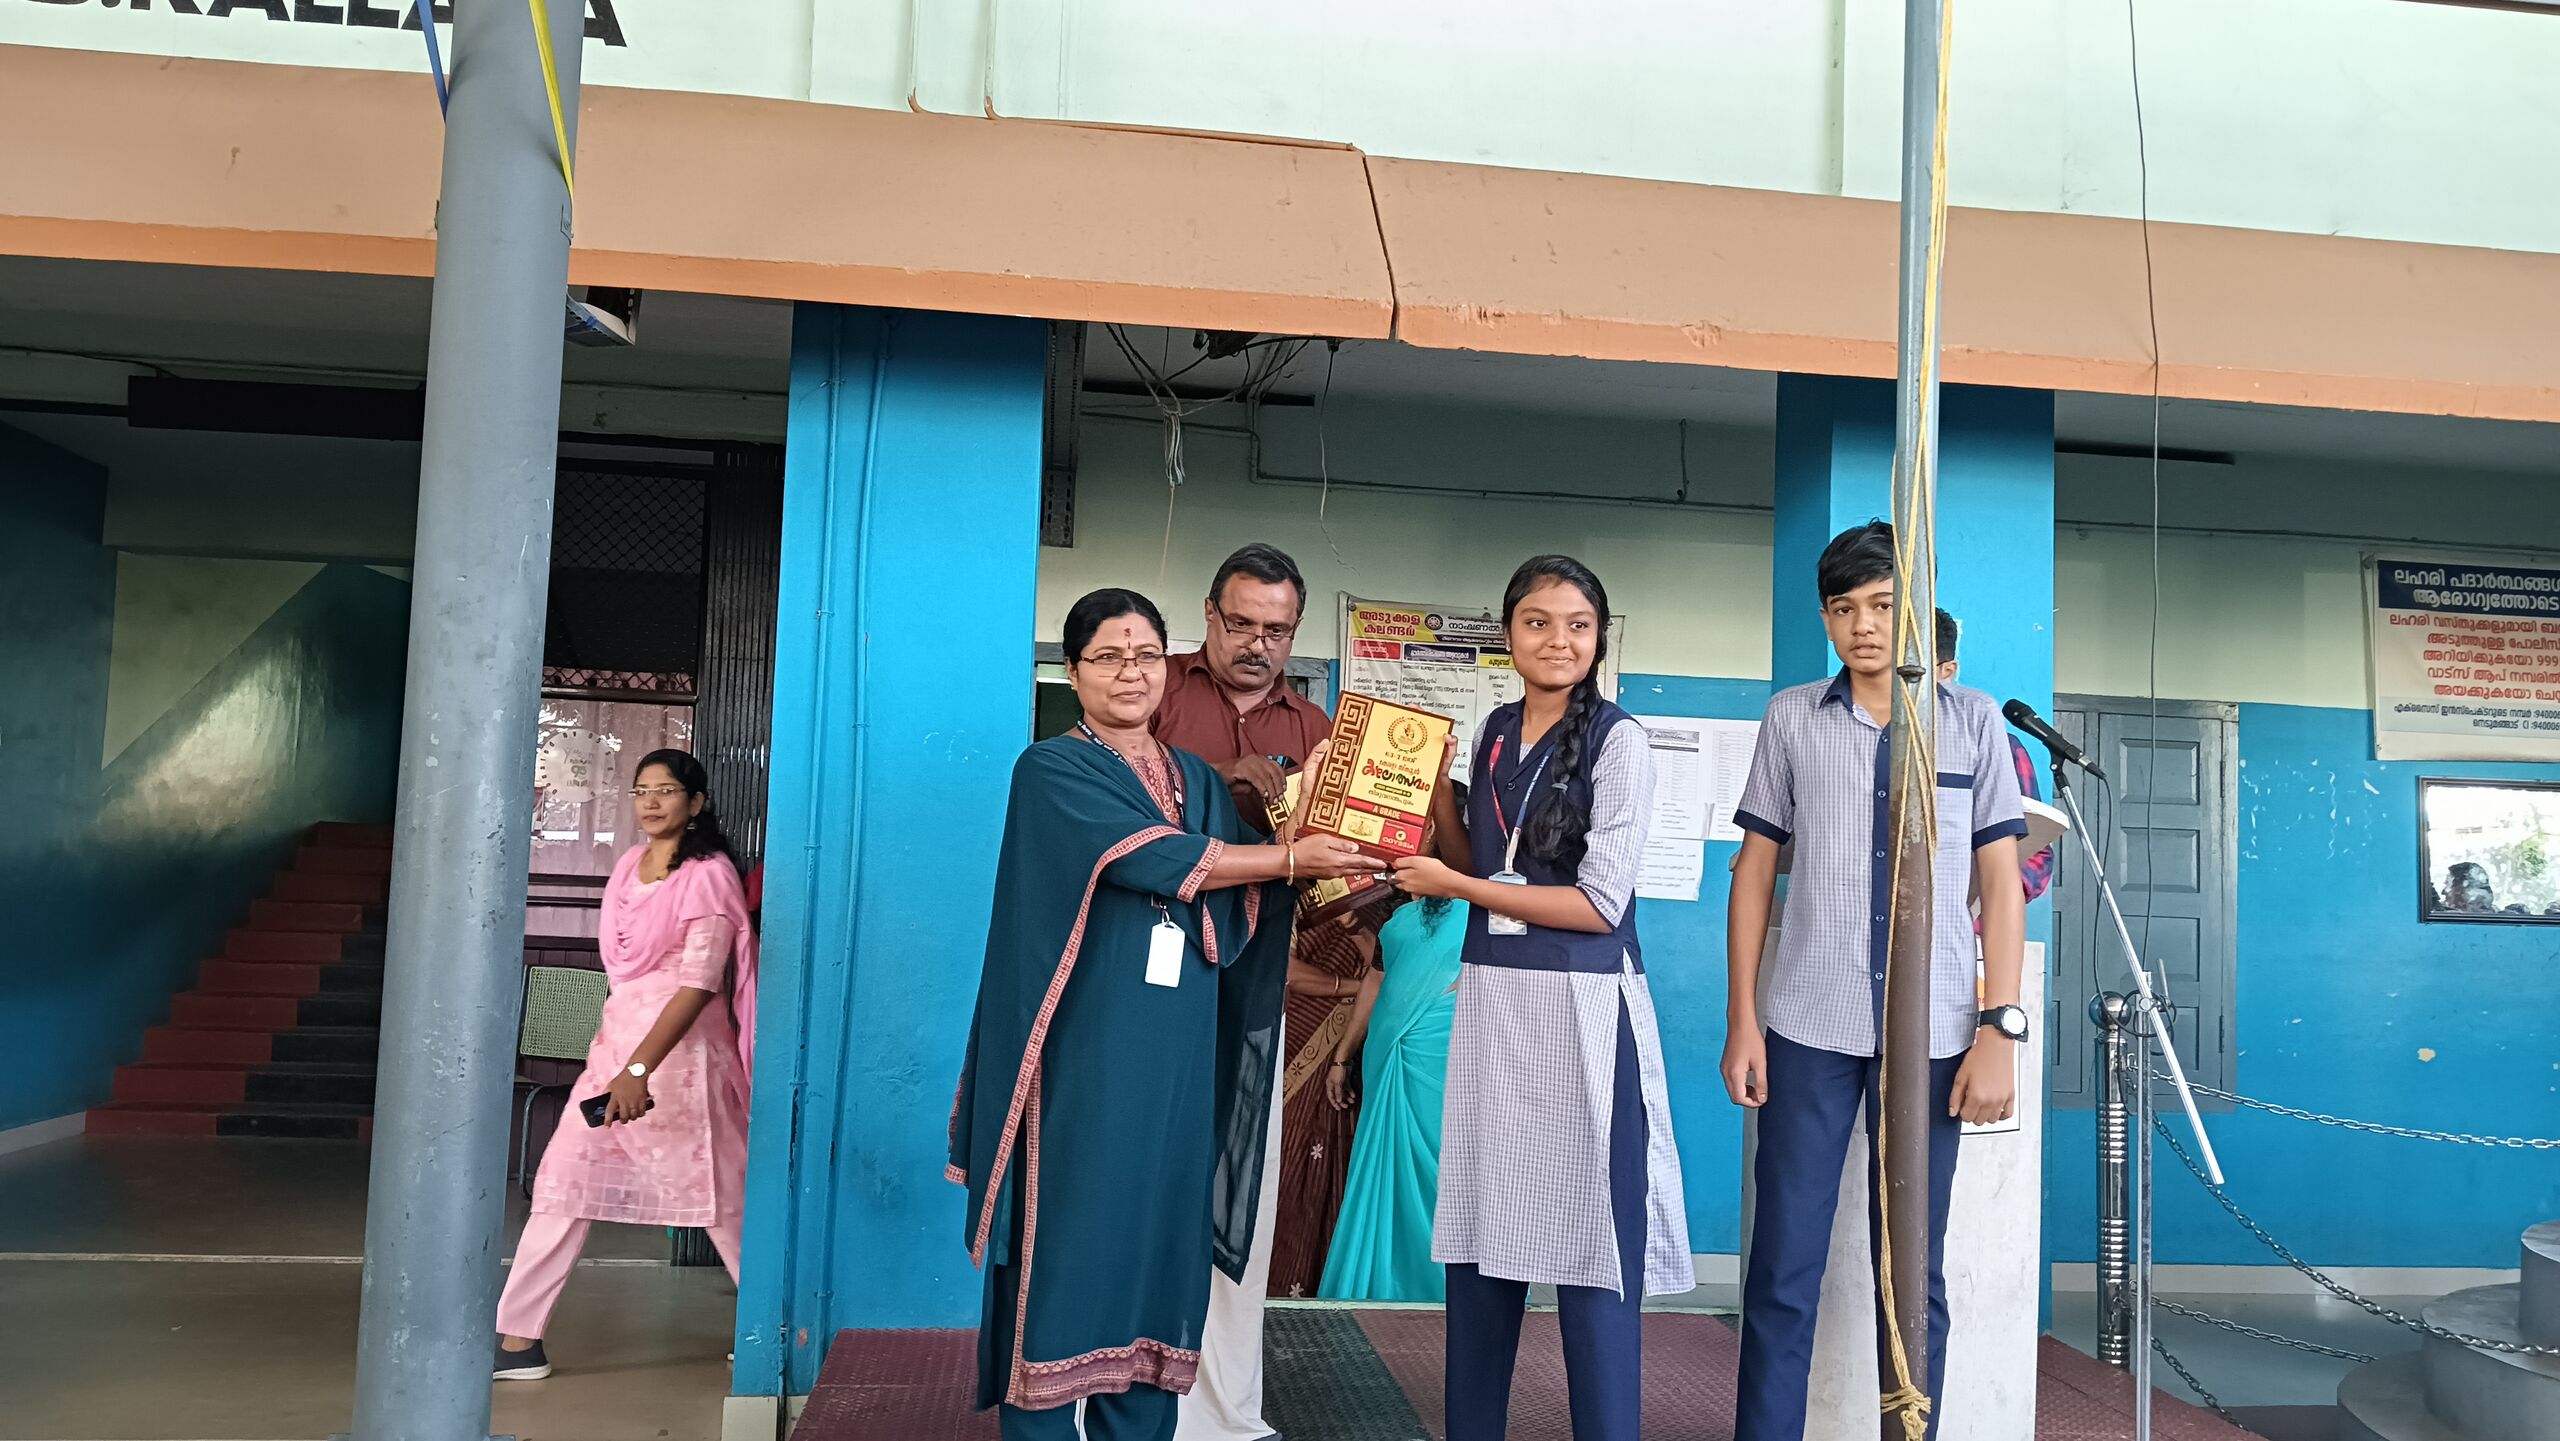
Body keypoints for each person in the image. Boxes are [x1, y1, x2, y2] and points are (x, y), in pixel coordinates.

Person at [948, 588, 1371, 1441]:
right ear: (1074, 672)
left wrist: (1319, 814)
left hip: (1179, 1060)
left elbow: (1252, 892)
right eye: (1108, 656)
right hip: (1083, 1055)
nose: (1130, 671)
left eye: (1145, 654)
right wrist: (1286, 855)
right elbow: (1158, 859)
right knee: (1071, 1236)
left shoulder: (1197, 782)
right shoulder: (1052, 769)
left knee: (1157, 1244)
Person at [1723, 523, 2028, 1441]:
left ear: (1918, 613)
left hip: (1934, 1036)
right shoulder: (1791, 718)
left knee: (1911, 1274)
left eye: (1885, 605)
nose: (1864, 625)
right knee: (1782, 1269)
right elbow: (1754, 872)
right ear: (1825, 618)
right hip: (1807, 1027)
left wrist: (1999, 1028)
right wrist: (1743, 1020)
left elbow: (2002, 883)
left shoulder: (1972, 720)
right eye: (1844, 607)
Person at [1392, 556, 1693, 1441]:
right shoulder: (1493, 730)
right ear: (1507, 633)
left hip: (1583, 1009)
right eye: (1537, 622)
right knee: (1481, 1236)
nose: (1558, 640)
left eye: (1577, 624)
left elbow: (1600, 906)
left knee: (1596, 1248)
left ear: (1600, 638)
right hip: (1493, 1000)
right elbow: (1480, 864)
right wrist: (1436, 790)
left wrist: (1455, 881)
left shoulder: (1620, 741)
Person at [1149, 543, 1335, 1441]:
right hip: (1146, 977)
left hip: (1256, 981)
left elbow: (1340, 877)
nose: (1259, 643)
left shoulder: (1319, 727)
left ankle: (1220, 1408)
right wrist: (1218, 781)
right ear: (1210, 616)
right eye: (1243, 623)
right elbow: (1114, 805)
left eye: (1278, 629)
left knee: (1240, 1189)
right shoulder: (1158, 690)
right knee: (1145, 1177)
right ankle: (1121, 1394)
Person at [495, 749, 758, 1381]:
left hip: (682, 1062)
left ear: (695, 803)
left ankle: (768, 1330)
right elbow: (626, 978)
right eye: (642, 791)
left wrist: (638, 1072)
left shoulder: (710, 876)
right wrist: (620, 1064)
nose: (651, 802)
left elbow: (697, 986)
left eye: (666, 790)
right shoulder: (626, 868)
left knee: (721, 1202)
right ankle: (518, 1342)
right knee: (562, 1184)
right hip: (614, 1052)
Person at [1319, 879, 1472, 1304]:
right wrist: (1342, 1055)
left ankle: (1452, 1288)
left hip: (1439, 1050)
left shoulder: (1479, 904)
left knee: (1440, 1166)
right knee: (1387, 1166)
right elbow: (1376, 979)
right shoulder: (1399, 915)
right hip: (1388, 1054)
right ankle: (1381, 1284)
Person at [1267, 907, 1381, 1297]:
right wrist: (1357, 987)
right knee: (1288, 1157)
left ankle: (1327, 1283)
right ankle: (1276, 1283)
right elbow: (1286, 970)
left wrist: (1351, 919)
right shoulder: (1295, 893)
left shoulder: (1389, 892)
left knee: (1339, 1167)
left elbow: (1388, 964)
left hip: (1361, 1049)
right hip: (1297, 1038)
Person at [1934, 608, 2054, 905]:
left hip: (1966, 922)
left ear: (1947, 671)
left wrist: (1992, 897)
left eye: (1913, 672)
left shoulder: (2000, 746)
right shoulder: (1849, 739)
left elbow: (2037, 856)